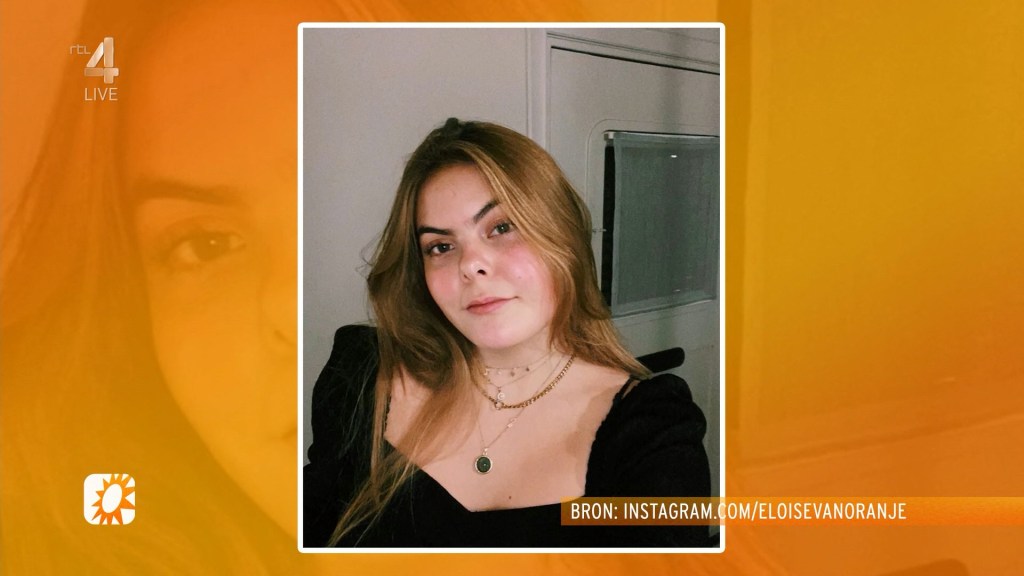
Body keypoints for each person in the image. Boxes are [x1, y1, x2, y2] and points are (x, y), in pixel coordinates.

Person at [304, 118, 711, 547]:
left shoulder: (652, 434)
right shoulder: (364, 375)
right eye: (441, 246)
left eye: (501, 227)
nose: (470, 265)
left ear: (562, 235)